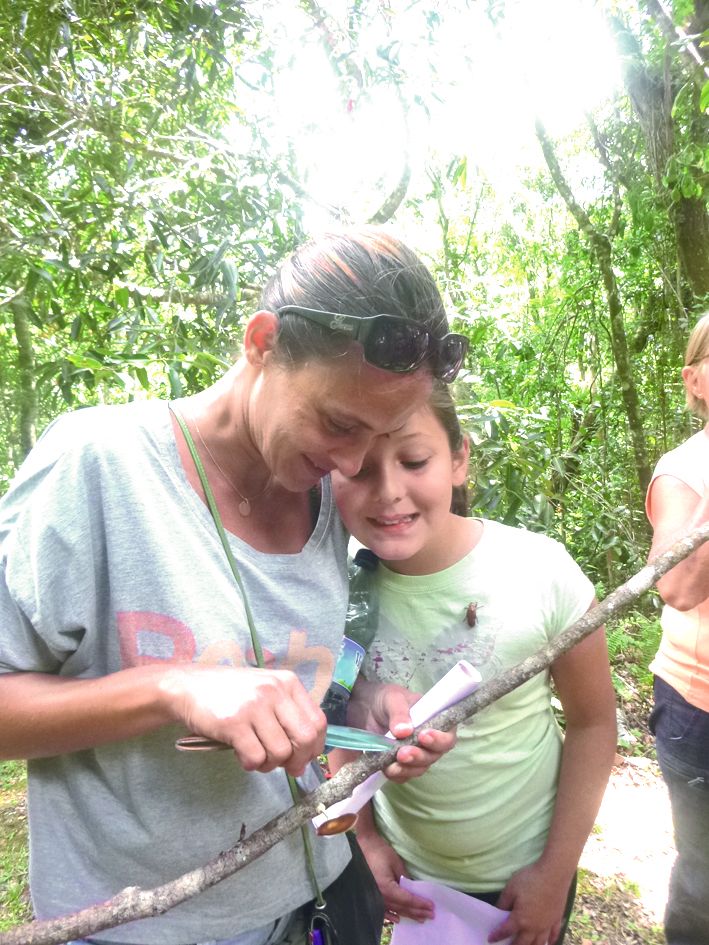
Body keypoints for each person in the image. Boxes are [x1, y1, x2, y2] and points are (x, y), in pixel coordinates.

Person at [0, 227, 465, 945]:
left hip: (307, 896)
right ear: (261, 342)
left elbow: (307, 672)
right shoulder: (97, 465)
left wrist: (369, 709)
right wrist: (171, 688)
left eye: (379, 435)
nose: (350, 458)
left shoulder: (327, 501)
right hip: (135, 922)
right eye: (338, 422)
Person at [329, 382, 617, 945]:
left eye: (415, 460)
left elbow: (593, 723)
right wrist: (363, 837)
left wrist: (555, 875)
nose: (389, 491)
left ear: (458, 458)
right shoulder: (333, 583)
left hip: (522, 875)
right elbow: (340, 717)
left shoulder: (541, 572)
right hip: (407, 871)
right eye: (360, 467)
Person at [646, 311, 709, 945]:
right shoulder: (684, 472)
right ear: (696, 381)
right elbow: (678, 586)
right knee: (706, 880)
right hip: (700, 708)